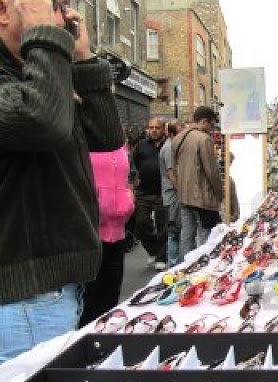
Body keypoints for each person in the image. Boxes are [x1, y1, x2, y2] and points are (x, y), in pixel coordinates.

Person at [0, 0, 123, 361]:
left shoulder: (39, 67)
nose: (64, 16)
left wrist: (83, 58)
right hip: (23, 299)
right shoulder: (31, 70)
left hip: (50, 292)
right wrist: (47, 41)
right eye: (52, 5)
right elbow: (42, 123)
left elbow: (106, 136)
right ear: (5, 10)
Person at [79, 146, 135, 327]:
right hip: (89, 234)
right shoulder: (82, 144)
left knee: (110, 297)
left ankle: (105, 340)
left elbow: (125, 181)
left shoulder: (120, 147)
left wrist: (129, 198)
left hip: (117, 232)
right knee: (88, 301)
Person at [173, 106, 223, 259]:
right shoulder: (203, 139)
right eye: (211, 125)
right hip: (202, 197)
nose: (211, 129)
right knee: (205, 238)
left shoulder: (179, 138)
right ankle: (202, 269)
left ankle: (184, 269)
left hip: (184, 195)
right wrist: (220, 193)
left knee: (186, 236)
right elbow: (211, 171)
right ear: (204, 121)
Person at [132, 117, 168, 270]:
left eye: (157, 127)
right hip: (144, 192)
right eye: (151, 127)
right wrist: (133, 183)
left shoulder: (168, 145)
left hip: (162, 192)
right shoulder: (141, 145)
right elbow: (134, 165)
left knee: (163, 226)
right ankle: (152, 249)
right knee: (140, 223)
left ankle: (161, 257)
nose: (153, 130)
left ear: (163, 129)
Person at [159, 119, 185, 267]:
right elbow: (171, 173)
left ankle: (174, 264)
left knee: (175, 231)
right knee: (174, 232)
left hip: (171, 194)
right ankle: (174, 265)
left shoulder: (170, 146)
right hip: (173, 195)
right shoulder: (169, 148)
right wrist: (182, 191)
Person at [228, 152, 240, 223]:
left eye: (230, 163)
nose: (229, 165)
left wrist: (235, 215)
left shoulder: (230, 181)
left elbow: (234, 198)